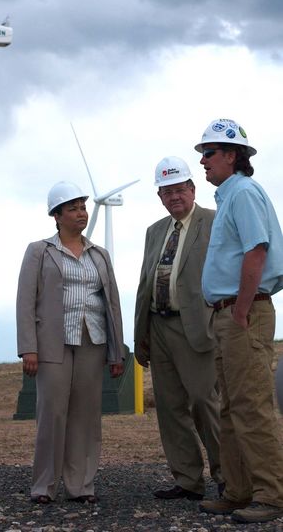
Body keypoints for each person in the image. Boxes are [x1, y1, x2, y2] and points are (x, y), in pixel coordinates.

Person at [195, 119, 283, 524]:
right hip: (228, 314)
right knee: (231, 406)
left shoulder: (244, 193)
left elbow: (256, 251)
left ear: (232, 155)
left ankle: (272, 494)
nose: (203, 162)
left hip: (242, 312)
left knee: (251, 405)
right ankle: (238, 490)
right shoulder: (229, 196)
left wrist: (243, 310)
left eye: (208, 153)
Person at [16, 181, 125, 504]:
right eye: (73, 208)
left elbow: (112, 304)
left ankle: (81, 486)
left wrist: (116, 351)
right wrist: (29, 347)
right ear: (57, 215)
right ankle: (43, 486)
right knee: (52, 413)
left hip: (93, 340)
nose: (82, 214)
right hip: (52, 344)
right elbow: (26, 301)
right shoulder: (40, 251)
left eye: (83, 207)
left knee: (86, 415)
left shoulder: (99, 255)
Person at [134, 156, 223, 501]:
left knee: (204, 402)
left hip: (198, 327)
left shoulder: (213, 222)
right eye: (166, 192)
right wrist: (140, 333)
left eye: (179, 190)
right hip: (158, 326)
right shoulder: (154, 231)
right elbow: (145, 283)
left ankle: (226, 476)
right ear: (159, 196)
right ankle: (187, 479)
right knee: (170, 409)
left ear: (192, 189)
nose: (174, 197)